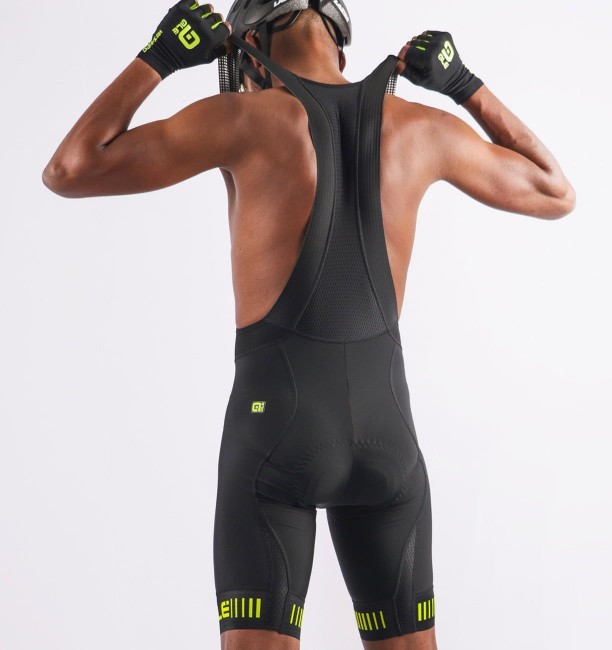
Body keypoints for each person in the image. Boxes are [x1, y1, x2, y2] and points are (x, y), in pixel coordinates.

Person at [42, 1, 576, 649]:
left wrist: (159, 57)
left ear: (249, 48)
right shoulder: (424, 128)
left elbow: (70, 169)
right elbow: (555, 191)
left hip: (276, 431)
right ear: (340, 46)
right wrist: (465, 85)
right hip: (389, 439)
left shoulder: (240, 118)